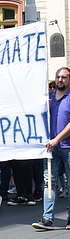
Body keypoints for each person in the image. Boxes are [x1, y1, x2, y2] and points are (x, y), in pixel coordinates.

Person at [34, 67, 70, 230]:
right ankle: (48, 218)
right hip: (51, 148)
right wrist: (43, 109)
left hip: (67, 147)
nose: (60, 80)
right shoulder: (50, 98)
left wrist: (57, 139)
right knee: (49, 182)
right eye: (58, 77)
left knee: (69, 183)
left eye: (63, 77)